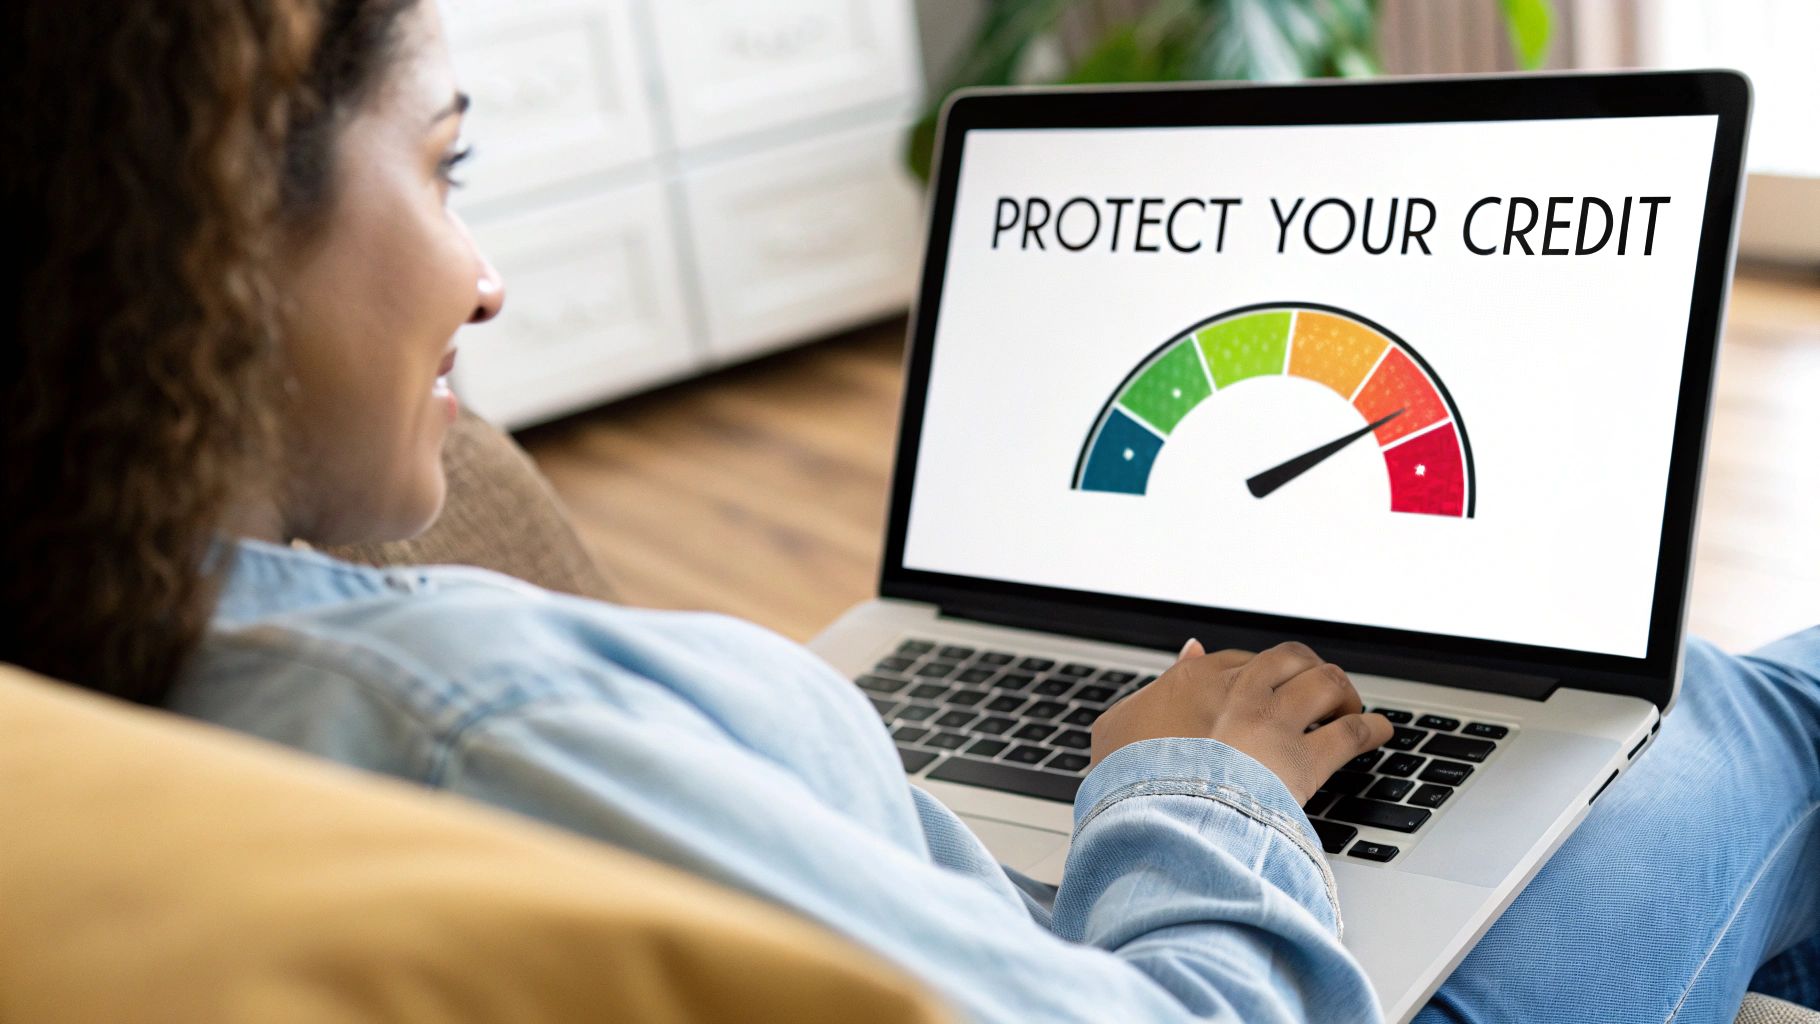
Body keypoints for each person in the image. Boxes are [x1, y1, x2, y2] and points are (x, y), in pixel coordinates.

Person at [4, 2, 1816, 1022]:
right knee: (1759, 705)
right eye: (445, 163)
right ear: (205, 246)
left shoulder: (111, 655)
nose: (479, 279)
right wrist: (1200, 788)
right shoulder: (474, 728)